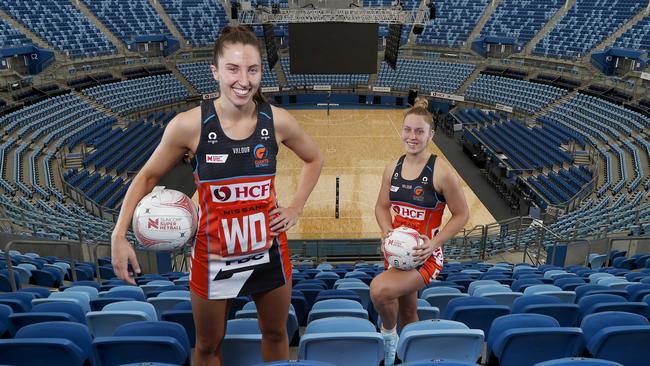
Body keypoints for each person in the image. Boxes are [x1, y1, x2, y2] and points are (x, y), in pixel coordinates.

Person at [111, 25, 323, 365]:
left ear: (260, 72)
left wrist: (296, 206)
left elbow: (315, 158)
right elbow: (148, 176)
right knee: (208, 347)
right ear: (215, 71)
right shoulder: (188, 125)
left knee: (276, 333)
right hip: (213, 257)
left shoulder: (278, 121)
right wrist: (118, 234)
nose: (244, 79)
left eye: (252, 69)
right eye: (233, 68)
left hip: (267, 250)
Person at [370, 97, 469, 366]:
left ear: (430, 135)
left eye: (419, 131)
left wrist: (433, 242)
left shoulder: (442, 172)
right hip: (398, 253)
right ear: (401, 130)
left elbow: (462, 215)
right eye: (408, 130)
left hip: (426, 257)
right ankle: (415, 357)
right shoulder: (393, 168)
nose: (412, 137)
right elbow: (380, 207)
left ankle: (389, 337)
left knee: (379, 291)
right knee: (408, 309)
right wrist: (387, 231)